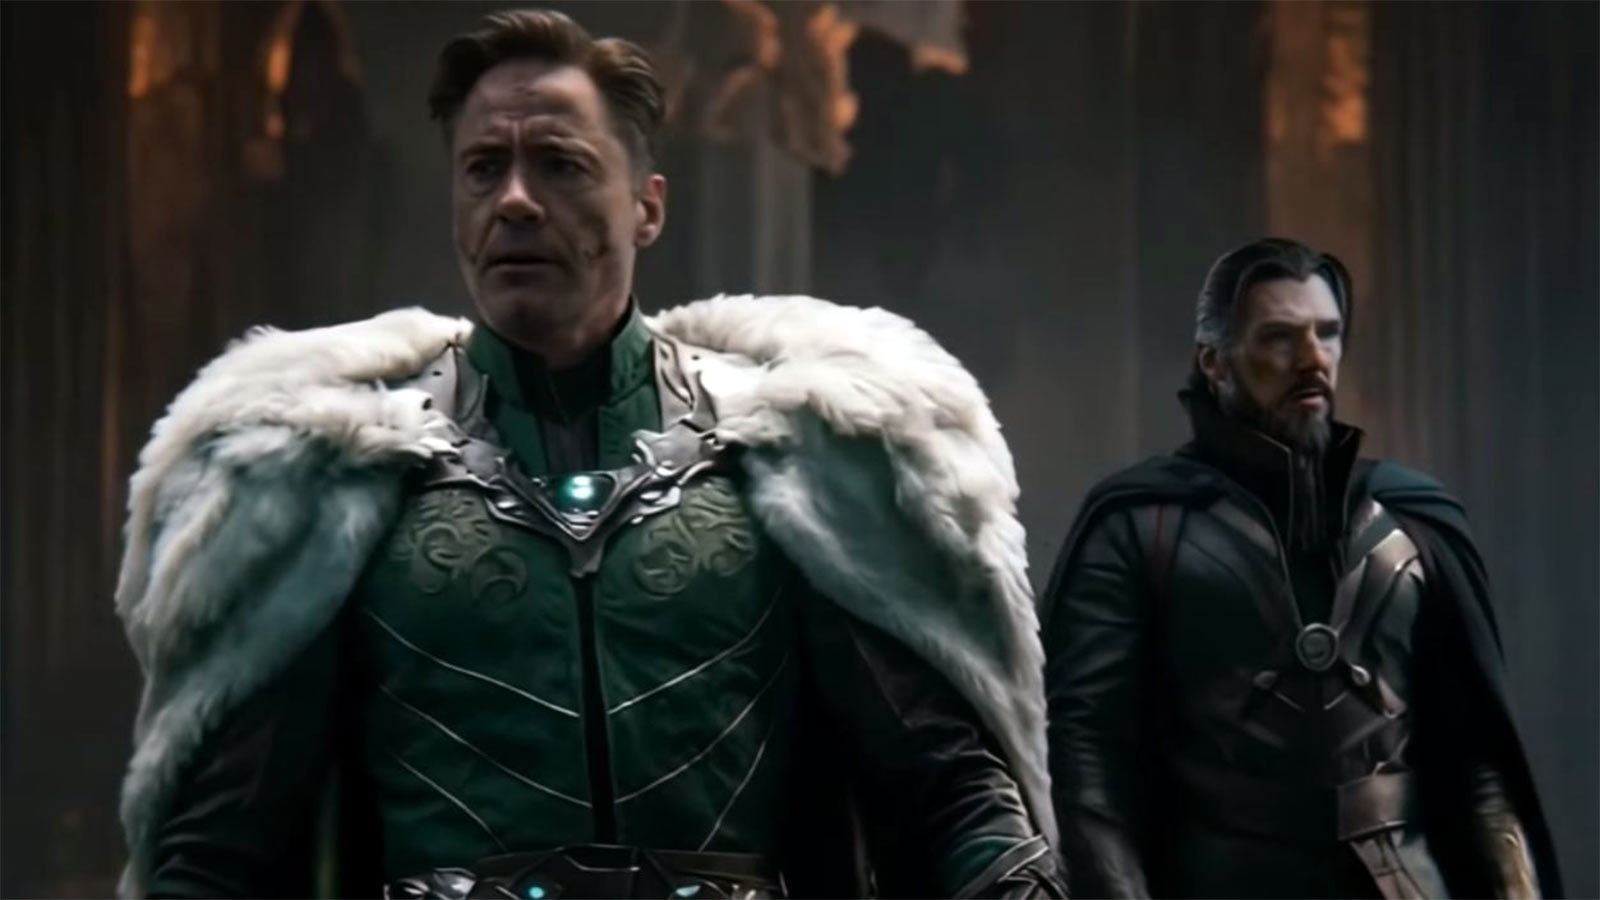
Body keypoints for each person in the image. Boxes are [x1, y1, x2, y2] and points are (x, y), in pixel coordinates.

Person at [114, 9, 1061, 899]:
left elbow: (945, 790)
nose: (515, 201)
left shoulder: (795, 455)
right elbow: (222, 848)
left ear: (647, 207)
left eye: (561, 166)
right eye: (484, 168)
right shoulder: (340, 472)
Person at [1041, 237, 1561, 899]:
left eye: (1328, 333)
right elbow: (1086, 762)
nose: (1313, 359)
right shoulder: (1141, 524)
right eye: (1279, 338)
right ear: (1214, 361)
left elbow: (1476, 755)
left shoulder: (1413, 518)